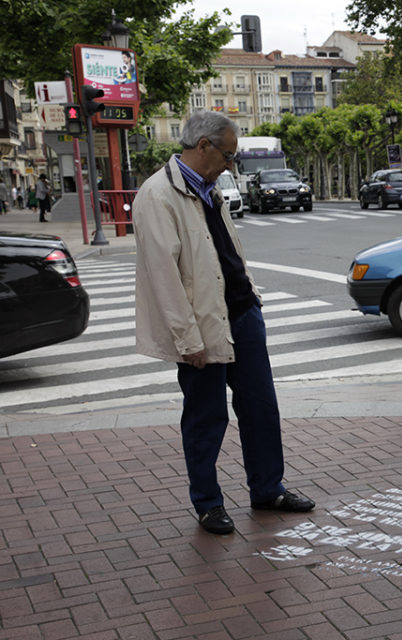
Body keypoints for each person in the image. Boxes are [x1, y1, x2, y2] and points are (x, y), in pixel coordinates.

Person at [133, 110, 314, 535]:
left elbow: (224, 251)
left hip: (241, 314)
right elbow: (164, 277)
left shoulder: (210, 189)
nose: (231, 165)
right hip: (200, 327)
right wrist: (186, 339)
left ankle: (268, 488)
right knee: (206, 417)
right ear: (203, 147)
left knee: (261, 409)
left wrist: (251, 295)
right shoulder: (157, 196)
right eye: (228, 156)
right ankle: (208, 503)